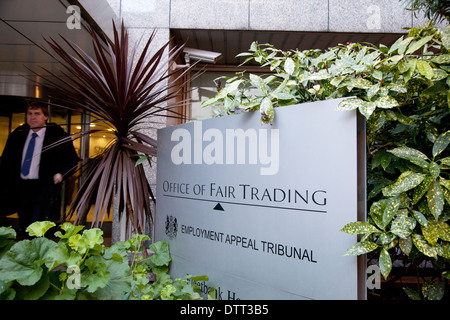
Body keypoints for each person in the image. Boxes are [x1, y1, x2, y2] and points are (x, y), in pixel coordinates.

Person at [0, 101, 80, 236]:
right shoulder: (17, 135)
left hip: (43, 187)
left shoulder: (57, 136)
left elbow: (72, 160)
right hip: (21, 187)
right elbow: (6, 162)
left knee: (37, 226)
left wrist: (61, 174)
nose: (32, 117)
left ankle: (36, 250)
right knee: (24, 224)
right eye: (29, 114)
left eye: (37, 114)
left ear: (46, 116)